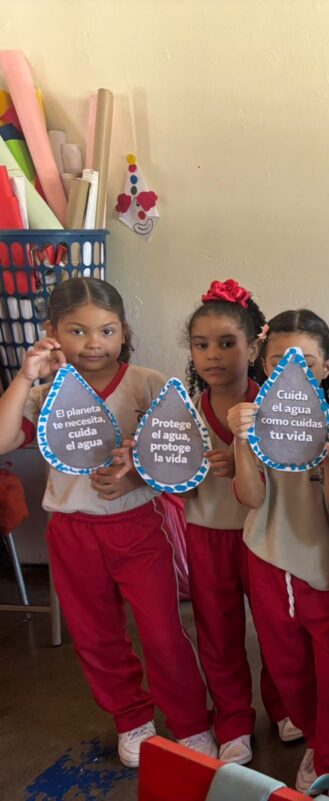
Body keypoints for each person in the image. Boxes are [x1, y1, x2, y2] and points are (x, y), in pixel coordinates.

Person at [0, 277, 214, 768]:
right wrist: (24, 376)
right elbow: (4, 438)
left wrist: (137, 476)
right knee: (96, 634)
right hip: (73, 531)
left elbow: (181, 459)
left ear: (123, 331)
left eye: (106, 331)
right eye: (77, 331)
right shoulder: (47, 392)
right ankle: (131, 718)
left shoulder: (148, 383)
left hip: (139, 525)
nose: (93, 343)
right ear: (52, 331)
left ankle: (190, 722)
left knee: (162, 630)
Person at [228, 310, 329, 800]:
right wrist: (241, 442)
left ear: (327, 366)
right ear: (261, 364)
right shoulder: (255, 421)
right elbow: (249, 498)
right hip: (268, 564)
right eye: (279, 360)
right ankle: (318, 741)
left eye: (306, 361)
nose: (293, 369)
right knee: (288, 671)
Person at [182, 279, 297, 764]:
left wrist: (249, 458)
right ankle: (232, 721)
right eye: (201, 345)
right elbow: (170, 479)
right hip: (206, 535)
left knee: (277, 630)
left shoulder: (274, 404)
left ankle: (287, 706)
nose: (213, 355)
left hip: (264, 536)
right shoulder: (182, 410)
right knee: (218, 631)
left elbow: (294, 474)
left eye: (228, 343)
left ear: (253, 348)